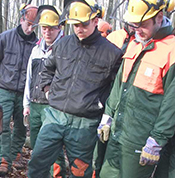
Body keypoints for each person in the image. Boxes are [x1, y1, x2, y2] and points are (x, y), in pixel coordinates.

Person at [27, 0, 123, 177]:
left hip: (85, 123)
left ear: (95, 20)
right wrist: (48, 90)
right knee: (37, 163)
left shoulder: (112, 54)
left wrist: (103, 111)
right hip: (55, 115)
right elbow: (46, 70)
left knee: (80, 171)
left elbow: (116, 90)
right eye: (75, 25)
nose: (79, 29)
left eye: (84, 24)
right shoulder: (62, 44)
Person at [97, 0, 175, 177]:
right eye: (134, 25)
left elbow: (172, 104)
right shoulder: (134, 44)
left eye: (143, 25)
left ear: (159, 17)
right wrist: (107, 116)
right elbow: (118, 86)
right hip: (117, 134)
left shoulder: (172, 50)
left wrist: (157, 139)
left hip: (141, 141)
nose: (137, 29)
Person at [0, 3, 38, 176]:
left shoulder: (37, 45)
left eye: (34, 26)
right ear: (22, 19)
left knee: (22, 127)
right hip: (5, 88)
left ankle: (15, 154)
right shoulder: (5, 37)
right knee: (2, 125)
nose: (30, 29)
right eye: (28, 24)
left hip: (25, 93)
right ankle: (3, 159)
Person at [23, 5, 66, 178]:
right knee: (36, 144)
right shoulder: (35, 50)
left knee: (54, 146)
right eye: (44, 28)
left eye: (51, 28)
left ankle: (58, 174)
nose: (47, 32)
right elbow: (29, 78)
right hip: (35, 104)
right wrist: (26, 104)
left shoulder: (64, 49)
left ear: (59, 28)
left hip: (53, 107)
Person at [92, 24, 135, 178]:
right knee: (98, 148)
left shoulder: (142, 42)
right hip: (104, 100)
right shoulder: (114, 37)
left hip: (124, 106)